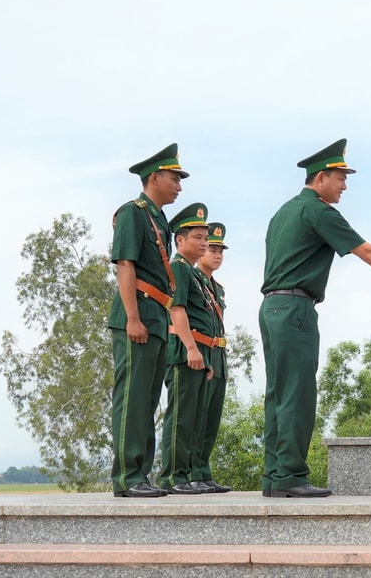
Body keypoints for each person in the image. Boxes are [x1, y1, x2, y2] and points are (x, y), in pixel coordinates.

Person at [260, 138, 371, 498]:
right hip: (296, 309)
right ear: (321, 177)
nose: (344, 186)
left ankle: (274, 475)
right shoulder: (319, 211)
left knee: (278, 394)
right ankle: (291, 476)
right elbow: (367, 252)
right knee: (297, 394)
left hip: (271, 308)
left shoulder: (283, 211)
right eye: (340, 178)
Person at [109, 143, 187, 498]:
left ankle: (142, 474)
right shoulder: (133, 213)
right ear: (154, 177)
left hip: (156, 315)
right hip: (138, 314)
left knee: (149, 399)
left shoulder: (158, 219)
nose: (179, 186)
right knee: (132, 397)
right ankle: (127, 477)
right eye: (174, 178)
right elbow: (125, 265)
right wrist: (132, 318)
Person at [159, 203, 216, 495]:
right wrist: (192, 350)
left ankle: (190, 474)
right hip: (184, 351)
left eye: (206, 238)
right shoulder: (179, 268)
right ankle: (172, 476)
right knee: (181, 416)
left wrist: (204, 356)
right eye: (198, 237)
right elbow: (177, 310)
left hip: (199, 350)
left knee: (195, 418)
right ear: (180, 240)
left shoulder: (193, 273)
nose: (204, 243)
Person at [191, 222, 233, 494]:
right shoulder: (191, 278)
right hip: (200, 354)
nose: (216, 254)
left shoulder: (218, 288)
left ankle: (203, 470)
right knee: (195, 419)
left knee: (211, 420)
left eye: (220, 250)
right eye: (212, 248)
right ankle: (191, 471)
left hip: (218, 356)